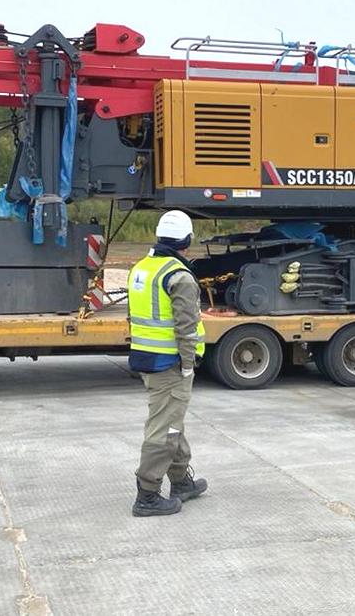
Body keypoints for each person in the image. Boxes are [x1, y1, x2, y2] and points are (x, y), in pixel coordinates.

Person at [127, 210, 209, 516]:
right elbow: (186, 327)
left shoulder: (142, 268)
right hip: (171, 364)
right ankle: (147, 495)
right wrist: (188, 364)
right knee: (164, 429)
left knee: (173, 421)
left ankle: (181, 482)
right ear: (186, 241)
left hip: (146, 358)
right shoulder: (180, 276)